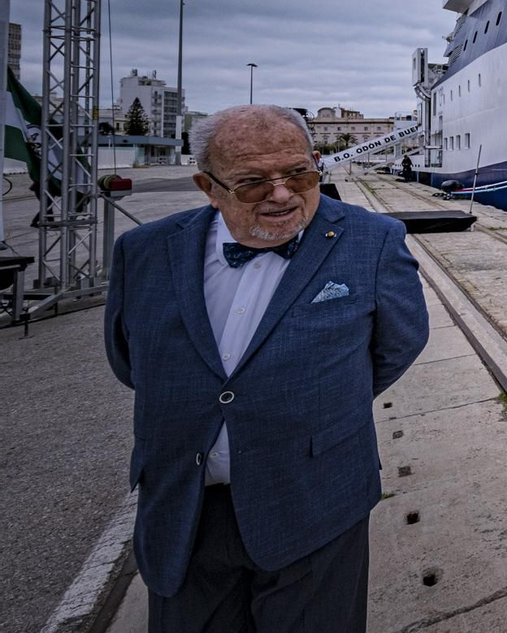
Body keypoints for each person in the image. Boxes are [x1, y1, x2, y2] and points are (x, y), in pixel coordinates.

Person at [105, 104, 429, 632]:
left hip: (314, 497)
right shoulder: (143, 252)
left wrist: (313, 402)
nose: (282, 195)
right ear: (209, 187)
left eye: (298, 174)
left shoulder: (373, 242)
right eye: (254, 183)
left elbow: (398, 345)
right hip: (186, 506)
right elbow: (132, 361)